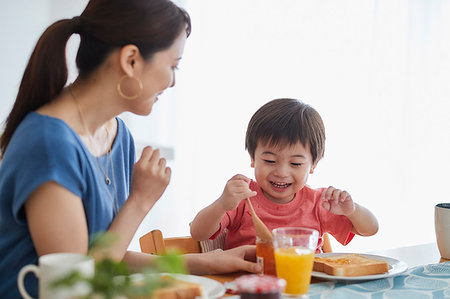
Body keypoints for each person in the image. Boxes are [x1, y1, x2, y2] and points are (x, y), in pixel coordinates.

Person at [0, 1, 259, 297]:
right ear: (131, 60)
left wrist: (207, 261)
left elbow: (108, 255)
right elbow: (76, 286)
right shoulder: (48, 144)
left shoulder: (118, 135)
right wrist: (140, 200)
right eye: (173, 65)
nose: (173, 81)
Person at [190, 98, 379, 251]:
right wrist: (222, 204)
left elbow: (371, 229)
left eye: (296, 163)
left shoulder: (319, 202)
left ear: (313, 164)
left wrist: (352, 210)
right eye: (270, 161)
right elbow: (198, 233)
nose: (281, 172)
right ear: (253, 158)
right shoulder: (242, 197)